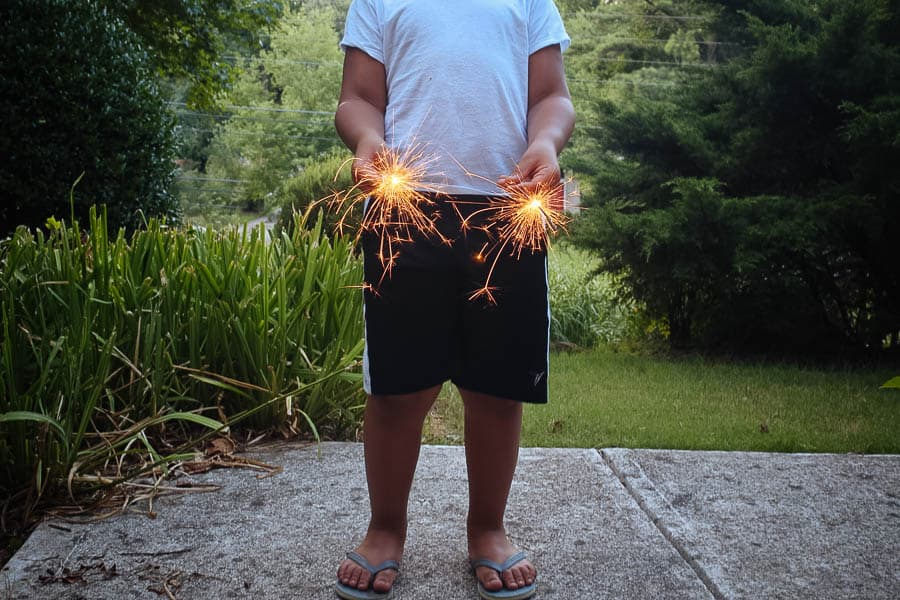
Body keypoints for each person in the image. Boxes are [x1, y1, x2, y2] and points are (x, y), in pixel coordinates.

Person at [333, 1, 574, 599]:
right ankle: (385, 528)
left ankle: (487, 528)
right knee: (397, 388)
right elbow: (358, 99)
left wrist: (545, 141)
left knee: (496, 389)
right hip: (404, 209)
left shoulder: (528, 2)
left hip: (509, 209)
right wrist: (367, 139)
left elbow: (551, 97)